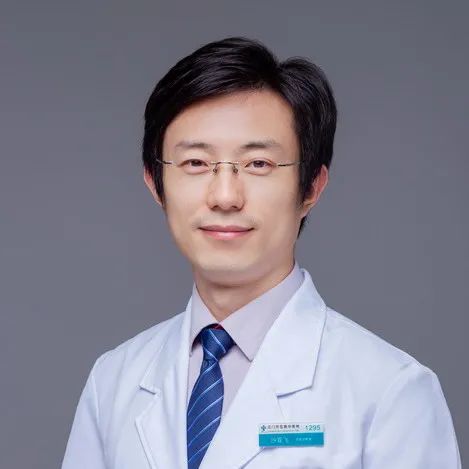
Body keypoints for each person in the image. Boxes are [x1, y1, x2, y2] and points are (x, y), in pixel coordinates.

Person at [61, 37, 461, 469]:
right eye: (195, 163)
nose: (225, 196)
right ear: (155, 183)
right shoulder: (113, 381)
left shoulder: (391, 392)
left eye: (258, 164)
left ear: (311, 187)